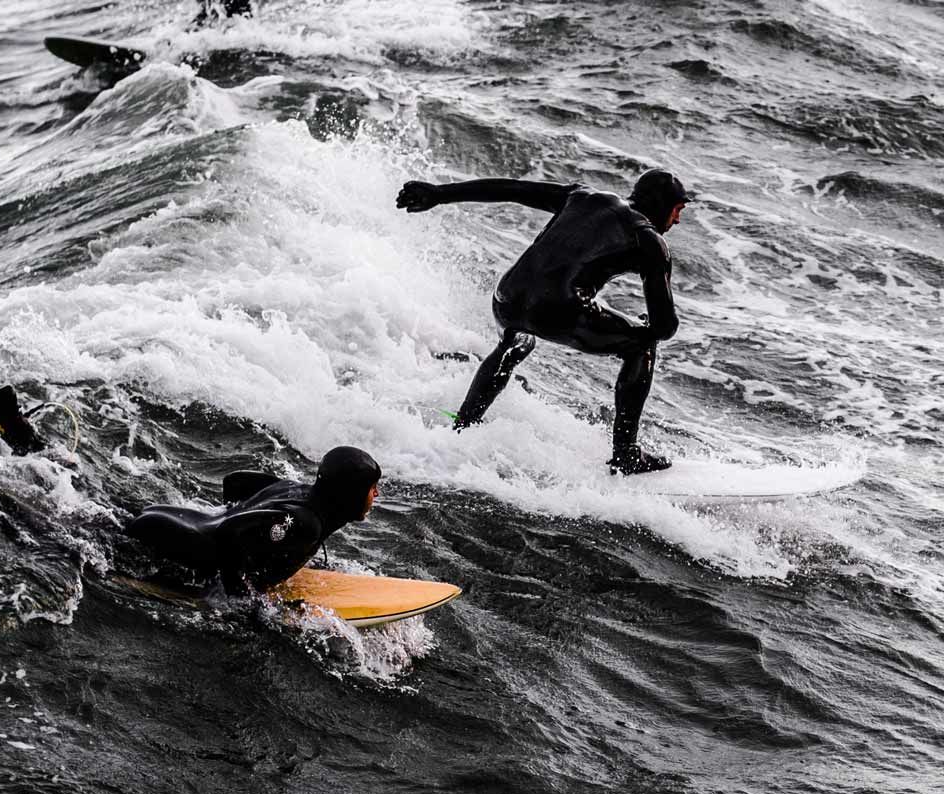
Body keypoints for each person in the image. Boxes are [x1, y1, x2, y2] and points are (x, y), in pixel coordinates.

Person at [396, 169, 689, 475]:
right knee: (642, 344)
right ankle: (626, 453)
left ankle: (464, 424)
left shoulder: (583, 196)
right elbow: (664, 327)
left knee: (516, 341)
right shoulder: (649, 240)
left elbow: (511, 187)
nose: (677, 221)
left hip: (507, 298)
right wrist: (647, 326)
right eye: (677, 210)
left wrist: (438, 194)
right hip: (557, 309)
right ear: (661, 204)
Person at [119, 446, 381, 594]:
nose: (376, 494)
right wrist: (240, 600)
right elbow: (233, 534)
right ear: (350, 494)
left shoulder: (296, 489)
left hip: (169, 516)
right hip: (158, 536)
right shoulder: (304, 524)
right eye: (372, 488)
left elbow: (236, 482)